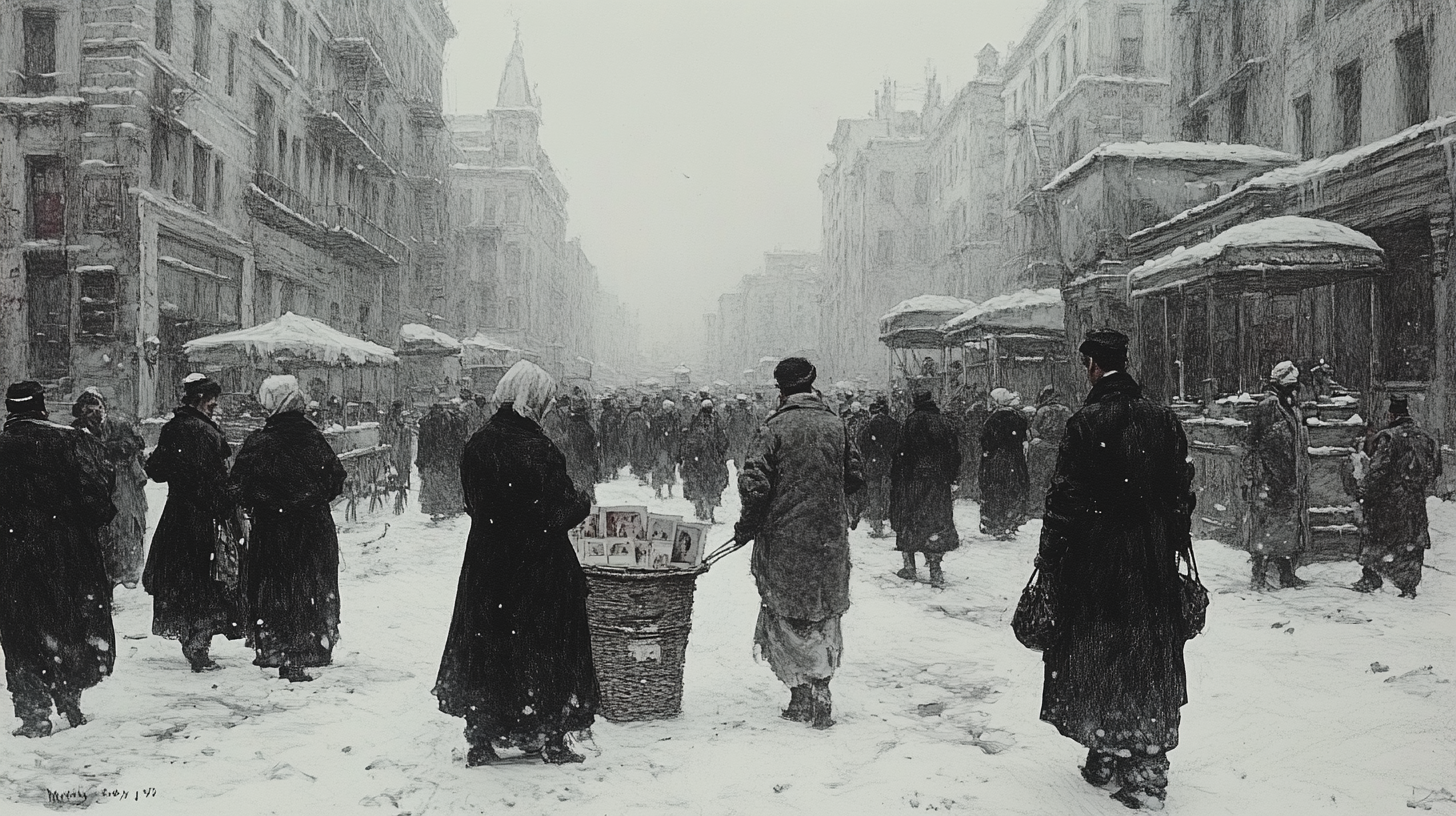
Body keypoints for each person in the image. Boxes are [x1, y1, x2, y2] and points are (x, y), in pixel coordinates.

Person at [1035, 329, 1197, 811]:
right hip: (1149, 561)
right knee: (1146, 655)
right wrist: (1166, 538)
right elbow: (1181, 490)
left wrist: (1050, 557)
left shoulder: (1085, 423)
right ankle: (1123, 751)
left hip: (1097, 560)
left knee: (1100, 652)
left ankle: (1128, 760)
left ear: (1090, 366)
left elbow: (1065, 498)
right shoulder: (1162, 419)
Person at [434, 360, 599, 766]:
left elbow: (473, 504)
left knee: (489, 644)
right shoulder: (537, 447)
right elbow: (557, 513)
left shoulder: (479, 443)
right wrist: (582, 502)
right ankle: (549, 735)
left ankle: (483, 735)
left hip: (489, 563)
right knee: (545, 645)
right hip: (539, 565)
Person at [735, 358, 863, 729]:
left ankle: (799, 696)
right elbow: (854, 476)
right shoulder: (836, 425)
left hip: (786, 539)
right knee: (823, 613)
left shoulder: (773, 428)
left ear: (782, 389)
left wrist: (748, 526)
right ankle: (821, 684)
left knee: (787, 613)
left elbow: (755, 485)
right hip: (828, 539)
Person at [0, 382, 116, 737]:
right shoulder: (70, 442)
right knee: (67, 624)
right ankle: (69, 697)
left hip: (12, 554)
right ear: (42, 408)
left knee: (21, 632)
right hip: (66, 553)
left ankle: (33, 712)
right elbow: (99, 501)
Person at [228, 376, 346, 682]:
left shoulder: (259, 442)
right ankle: (306, 649)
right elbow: (335, 480)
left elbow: (238, 485)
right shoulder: (313, 438)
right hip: (312, 528)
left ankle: (280, 648)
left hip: (273, 530)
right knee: (309, 586)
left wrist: (267, 502)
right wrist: (307, 500)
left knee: (276, 588)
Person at [144, 374, 246, 672]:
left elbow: (157, 470)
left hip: (178, 516)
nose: (216, 405)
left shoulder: (173, 428)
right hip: (204, 517)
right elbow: (213, 481)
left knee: (182, 579)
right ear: (199, 400)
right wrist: (230, 500)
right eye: (212, 400)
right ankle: (198, 644)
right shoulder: (205, 433)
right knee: (206, 580)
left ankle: (191, 636)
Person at [1353, 394, 1441, 598]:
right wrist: (1416, 484)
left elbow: (1378, 471)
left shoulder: (1388, 437)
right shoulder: (1425, 437)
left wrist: (1364, 491)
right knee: (1411, 540)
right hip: (1414, 500)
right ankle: (1408, 585)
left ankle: (1371, 578)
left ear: (1392, 413)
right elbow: (1435, 469)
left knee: (1377, 537)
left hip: (1389, 500)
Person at [71, 388, 149, 588]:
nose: (95, 414)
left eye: (98, 408)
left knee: (124, 529)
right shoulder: (76, 432)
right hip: (94, 487)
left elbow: (136, 448)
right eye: (89, 410)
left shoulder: (119, 426)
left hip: (121, 484)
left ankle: (122, 573)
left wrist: (116, 450)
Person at [1244, 361, 1310, 590]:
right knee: (1266, 527)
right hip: (1270, 479)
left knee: (1287, 527)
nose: (1295, 390)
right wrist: (1264, 474)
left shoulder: (1290, 407)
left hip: (1288, 478)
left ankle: (1286, 574)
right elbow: (1258, 444)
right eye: (1291, 386)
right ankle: (1259, 576)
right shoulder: (1268, 407)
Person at [889, 390, 962, 587]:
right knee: (936, 522)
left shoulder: (912, 422)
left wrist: (897, 476)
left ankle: (909, 566)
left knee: (910, 520)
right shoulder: (943, 422)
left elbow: (901, 452)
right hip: (938, 481)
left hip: (913, 481)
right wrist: (950, 476)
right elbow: (954, 452)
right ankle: (935, 569)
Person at [979, 388, 1030, 539]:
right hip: (1015, 458)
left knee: (996, 490)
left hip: (997, 460)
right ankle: (1010, 522)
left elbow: (986, 440)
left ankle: (997, 523)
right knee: (1013, 489)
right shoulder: (1018, 417)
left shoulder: (995, 418)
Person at [1027, 385, 1074, 518]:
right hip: (1061, 449)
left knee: (1040, 479)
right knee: (1059, 479)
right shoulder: (1067, 411)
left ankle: (1039, 508)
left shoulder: (1043, 411)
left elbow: (1034, 430)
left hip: (1043, 449)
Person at [416, 402, 468, 522]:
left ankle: (439, 509)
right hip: (444, 458)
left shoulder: (428, 423)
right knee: (443, 483)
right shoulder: (452, 421)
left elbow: (422, 444)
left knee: (437, 484)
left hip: (437, 459)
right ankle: (444, 508)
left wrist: (421, 461)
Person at [681, 399, 730, 522]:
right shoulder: (697, 422)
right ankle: (701, 510)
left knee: (711, 485)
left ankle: (708, 512)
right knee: (700, 485)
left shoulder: (714, 422)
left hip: (710, 460)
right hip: (700, 460)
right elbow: (692, 441)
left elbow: (722, 440)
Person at [859, 398, 901, 538]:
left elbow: (862, 442)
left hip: (874, 462)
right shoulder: (895, 424)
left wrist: (870, 455)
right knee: (892, 493)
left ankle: (877, 526)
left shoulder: (870, 425)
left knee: (874, 494)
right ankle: (895, 524)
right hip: (891, 462)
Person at [562, 397, 600, 501]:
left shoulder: (569, 426)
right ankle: (589, 497)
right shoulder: (585, 426)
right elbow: (593, 444)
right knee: (585, 481)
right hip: (584, 460)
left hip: (575, 461)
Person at [380, 400, 413, 514]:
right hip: (397, 447)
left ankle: (399, 491)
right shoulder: (393, 419)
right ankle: (398, 490)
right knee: (398, 466)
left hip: (398, 447)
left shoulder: (392, 418)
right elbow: (393, 430)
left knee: (399, 466)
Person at [961, 389, 989, 497]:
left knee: (971, 465)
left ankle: (970, 489)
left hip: (972, 440)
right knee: (977, 465)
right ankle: (974, 490)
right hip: (976, 441)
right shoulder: (980, 410)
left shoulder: (971, 410)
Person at [651, 399, 681, 499]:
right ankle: (659, 491)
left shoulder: (674, 417)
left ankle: (669, 490)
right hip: (661, 448)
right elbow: (654, 433)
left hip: (669, 447)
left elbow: (677, 432)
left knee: (669, 469)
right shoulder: (658, 418)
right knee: (661, 469)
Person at [625, 397, 654, 485]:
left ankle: (643, 476)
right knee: (639, 457)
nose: (647, 408)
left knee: (645, 458)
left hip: (646, 442)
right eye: (645, 405)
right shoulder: (635, 416)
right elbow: (630, 431)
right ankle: (642, 476)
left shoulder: (648, 416)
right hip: (638, 441)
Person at [725, 394, 757, 472]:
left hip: (744, 435)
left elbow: (752, 424)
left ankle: (741, 467)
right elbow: (729, 424)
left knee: (743, 451)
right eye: (740, 401)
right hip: (736, 435)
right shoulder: (734, 412)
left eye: (742, 401)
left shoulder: (748, 412)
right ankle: (739, 467)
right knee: (737, 452)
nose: (741, 403)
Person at [597, 396, 625, 480]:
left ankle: (610, 472)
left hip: (608, 437)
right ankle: (613, 472)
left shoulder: (604, 414)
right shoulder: (614, 412)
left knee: (608, 454)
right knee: (613, 453)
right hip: (612, 437)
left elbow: (602, 426)